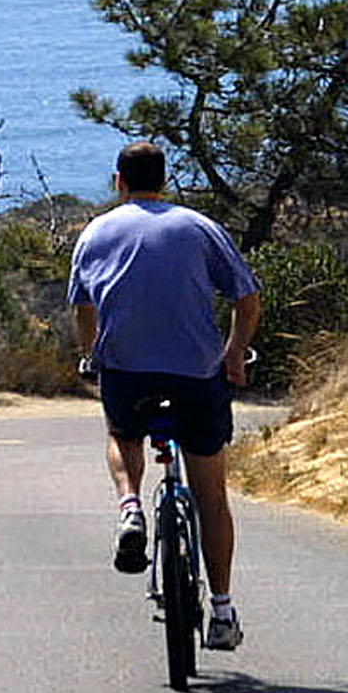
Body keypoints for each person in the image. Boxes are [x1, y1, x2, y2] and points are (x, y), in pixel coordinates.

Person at [67, 140, 262, 650]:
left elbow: (84, 307)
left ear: (118, 182)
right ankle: (221, 612)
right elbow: (247, 297)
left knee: (122, 433)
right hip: (196, 375)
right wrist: (235, 353)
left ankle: (130, 505)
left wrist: (92, 356)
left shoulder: (95, 232)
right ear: (165, 180)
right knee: (211, 495)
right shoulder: (198, 227)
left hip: (128, 372)